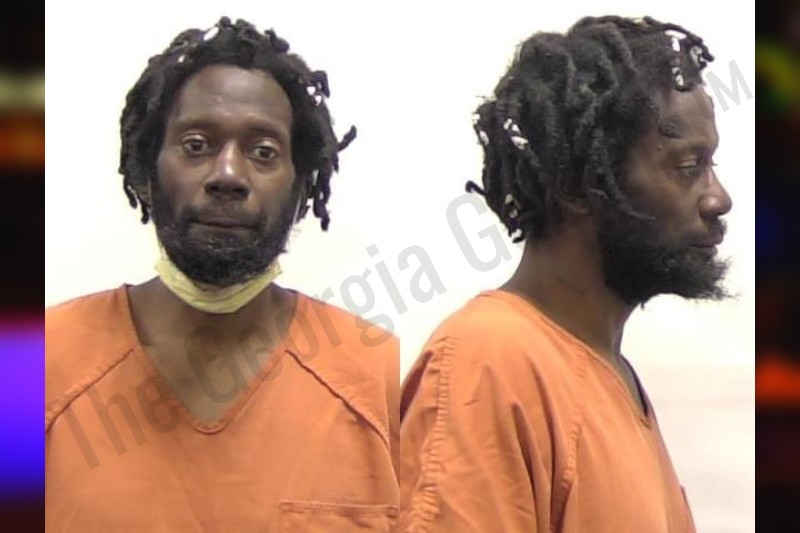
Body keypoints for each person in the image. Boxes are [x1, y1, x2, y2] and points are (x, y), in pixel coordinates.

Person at [45, 17, 398, 532]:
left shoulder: (376, 375)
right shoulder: (31, 365)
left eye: (263, 152)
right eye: (196, 145)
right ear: (144, 174)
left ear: (302, 189)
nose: (228, 175)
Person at [399, 15, 732, 532]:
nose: (718, 198)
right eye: (688, 167)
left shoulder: (611, 373)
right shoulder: (489, 362)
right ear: (580, 184)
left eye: (712, 165)